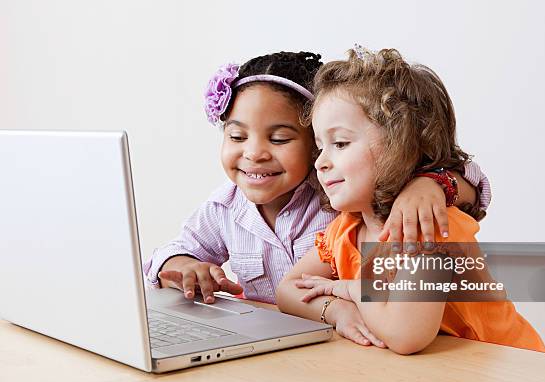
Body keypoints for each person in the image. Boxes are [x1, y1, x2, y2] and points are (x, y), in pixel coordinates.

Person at [142, 51, 489, 314]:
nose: (254, 153)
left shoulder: (344, 195)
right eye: (236, 136)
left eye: (279, 139)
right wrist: (183, 266)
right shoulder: (224, 208)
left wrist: (430, 183)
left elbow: (475, 185)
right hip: (277, 349)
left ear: (314, 143)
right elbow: (167, 255)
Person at [275, 47, 545, 354]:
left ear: (402, 145)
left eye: (340, 143)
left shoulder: (427, 225)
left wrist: (347, 289)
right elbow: (287, 291)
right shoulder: (347, 228)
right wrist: (337, 311)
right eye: (320, 147)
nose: (321, 162)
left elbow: (405, 335)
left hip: (509, 371)